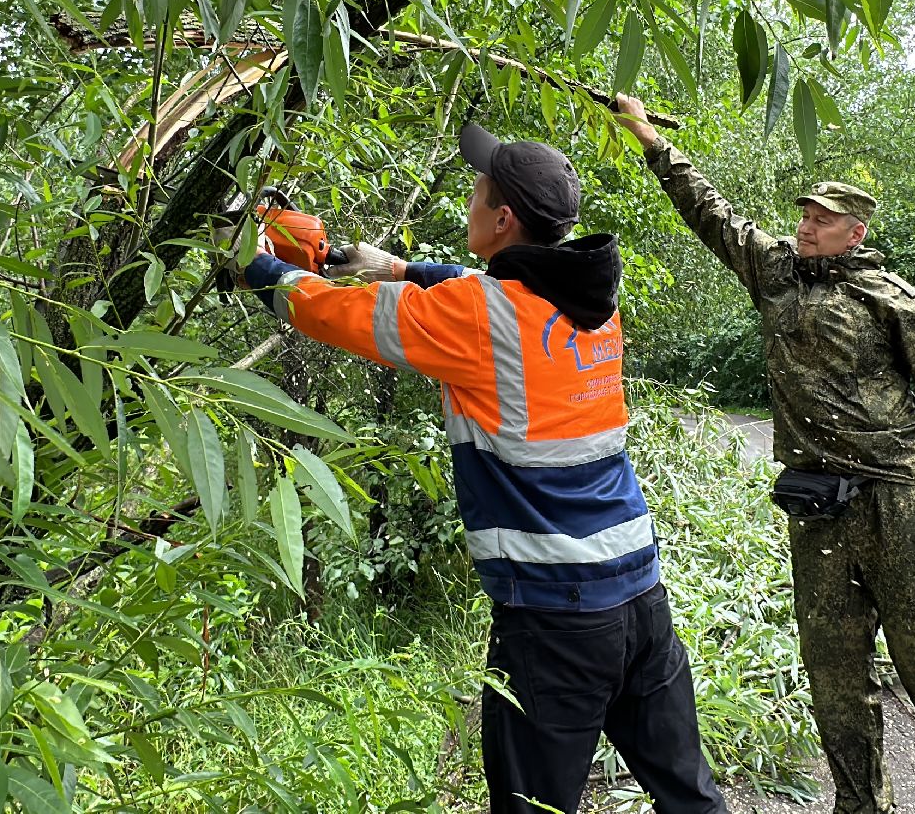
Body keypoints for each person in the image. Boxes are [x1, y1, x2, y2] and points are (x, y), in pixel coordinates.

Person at [240, 123, 728, 814]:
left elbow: (332, 313)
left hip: (554, 616)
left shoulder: (478, 316)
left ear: (501, 218)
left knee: (532, 807)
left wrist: (259, 267)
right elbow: (499, 293)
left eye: (478, 189)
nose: (471, 198)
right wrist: (397, 267)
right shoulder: (592, 305)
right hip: (640, 595)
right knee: (689, 793)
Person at [613, 95, 915, 814]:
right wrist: (647, 136)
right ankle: (859, 805)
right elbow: (710, 210)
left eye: (820, 220)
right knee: (834, 673)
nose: (804, 226)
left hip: (901, 505)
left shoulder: (890, 299)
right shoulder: (776, 274)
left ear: (854, 231)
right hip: (817, 509)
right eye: (802, 216)